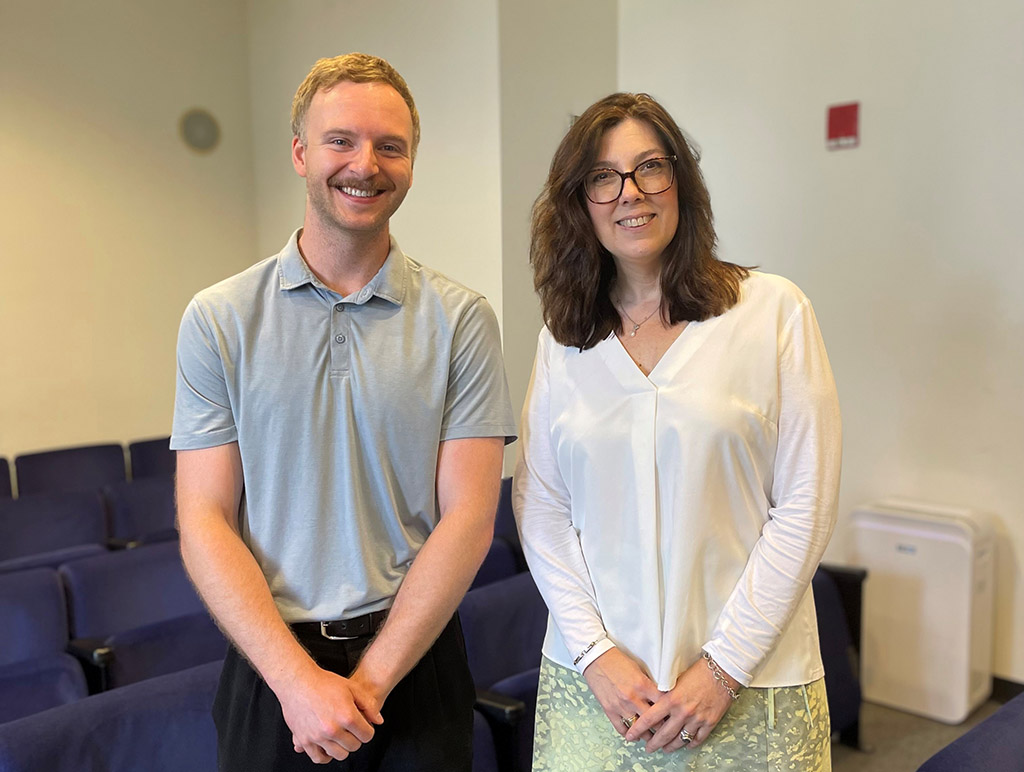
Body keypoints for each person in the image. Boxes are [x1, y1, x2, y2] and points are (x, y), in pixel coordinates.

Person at [171, 53, 516, 772]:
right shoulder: (218, 319)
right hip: (272, 667)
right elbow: (204, 518)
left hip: (415, 663)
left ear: (412, 163)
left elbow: (470, 519)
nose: (367, 163)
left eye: (391, 146)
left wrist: (370, 683)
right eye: (341, 140)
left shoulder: (463, 320)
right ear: (300, 153)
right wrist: (298, 683)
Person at [513, 92, 841, 771]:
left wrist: (723, 667)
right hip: (601, 691)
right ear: (580, 202)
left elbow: (805, 505)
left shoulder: (772, 311)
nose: (629, 193)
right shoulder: (564, 342)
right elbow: (542, 510)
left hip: (751, 682)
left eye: (649, 167)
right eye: (604, 177)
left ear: (681, 182)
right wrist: (596, 654)